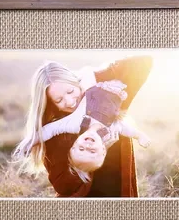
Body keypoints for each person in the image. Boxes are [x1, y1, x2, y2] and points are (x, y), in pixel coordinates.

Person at [12, 55, 153, 197]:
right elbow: (64, 187)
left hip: (120, 192)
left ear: (78, 82)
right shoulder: (63, 127)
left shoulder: (105, 95)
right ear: (50, 103)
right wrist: (93, 157)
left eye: (70, 91)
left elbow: (143, 61)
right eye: (59, 100)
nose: (69, 101)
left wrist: (93, 76)